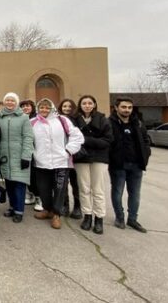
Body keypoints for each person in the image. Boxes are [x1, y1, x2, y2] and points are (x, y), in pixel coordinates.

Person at [30, 98, 84, 229]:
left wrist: (68, 150)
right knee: (43, 189)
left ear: (52, 108)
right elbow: (27, 139)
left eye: (47, 107)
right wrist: (32, 153)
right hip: (41, 162)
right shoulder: (32, 122)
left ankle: (56, 214)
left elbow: (77, 135)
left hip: (61, 161)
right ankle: (47, 209)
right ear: (38, 108)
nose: (44, 110)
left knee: (60, 189)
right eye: (42, 107)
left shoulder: (62, 120)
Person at [109, 97, 151, 233]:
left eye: (129, 107)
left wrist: (146, 155)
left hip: (136, 165)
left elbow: (146, 140)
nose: (127, 110)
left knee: (135, 194)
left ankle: (132, 219)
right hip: (118, 165)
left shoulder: (137, 123)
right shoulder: (110, 123)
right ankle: (119, 218)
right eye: (123, 107)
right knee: (117, 192)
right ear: (116, 108)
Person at [74, 95, 114, 235]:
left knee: (98, 189)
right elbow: (72, 138)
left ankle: (99, 218)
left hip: (99, 158)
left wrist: (86, 140)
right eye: (84, 103)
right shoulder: (76, 120)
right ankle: (87, 216)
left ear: (94, 104)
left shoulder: (103, 120)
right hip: (81, 158)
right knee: (84, 189)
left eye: (90, 103)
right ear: (80, 105)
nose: (87, 105)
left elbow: (108, 140)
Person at [0, 93, 34, 223]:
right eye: (7, 100)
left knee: (19, 184)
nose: (10, 102)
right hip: (5, 156)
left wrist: (26, 156)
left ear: (16, 103)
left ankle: (19, 210)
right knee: (9, 183)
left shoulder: (24, 117)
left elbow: (28, 137)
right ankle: (12, 207)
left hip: (19, 156)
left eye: (12, 100)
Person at [58, 98, 82, 219]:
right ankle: (65, 205)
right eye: (64, 106)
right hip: (62, 157)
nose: (67, 109)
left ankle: (77, 207)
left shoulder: (78, 120)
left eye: (69, 106)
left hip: (76, 157)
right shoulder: (58, 120)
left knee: (76, 183)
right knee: (63, 183)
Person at [19, 99, 40, 209]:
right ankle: (29, 194)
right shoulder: (19, 118)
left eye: (27, 106)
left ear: (32, 107)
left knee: (35, 176)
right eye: (23, 106)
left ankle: (39, 197)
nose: (25, 108)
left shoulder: (37, 119)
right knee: (25, 174)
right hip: (22, 150)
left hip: (36, 151)